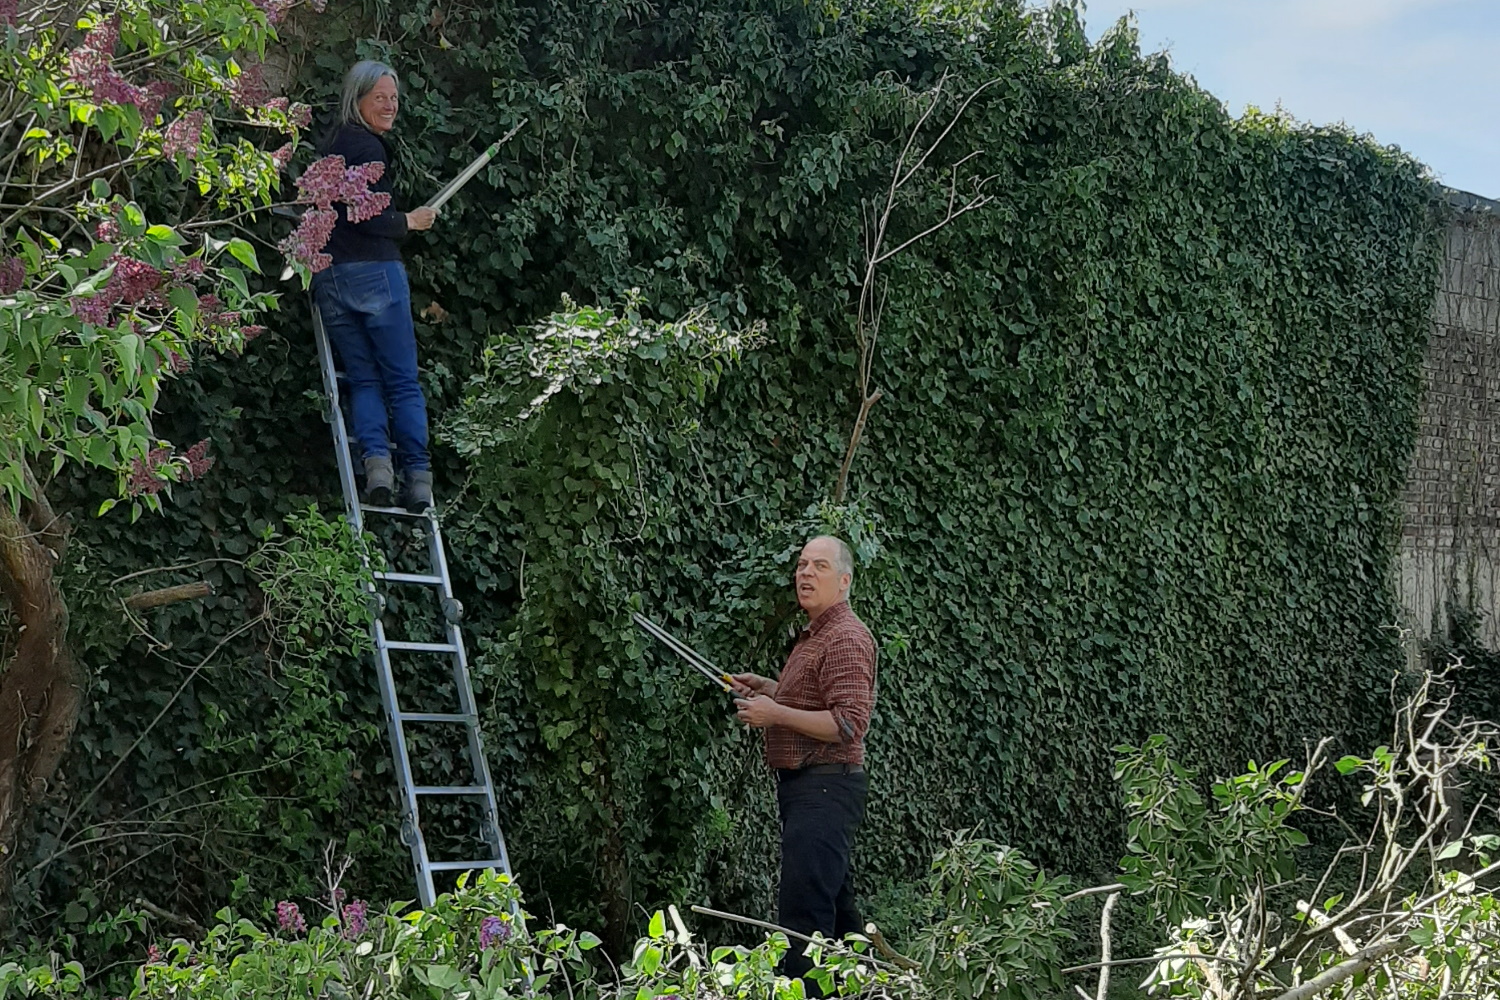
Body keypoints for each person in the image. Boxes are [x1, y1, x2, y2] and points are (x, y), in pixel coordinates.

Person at [731, 535, 877, 990]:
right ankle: (869, 991)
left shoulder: (846, 637)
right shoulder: (815, 635)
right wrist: (771, 689)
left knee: (804, 920)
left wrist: (774, 713)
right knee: (839, 917)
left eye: (819, 566)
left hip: (825, 791)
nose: (805, 574)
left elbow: (849, 724)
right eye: (801, 565)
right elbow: (815, 701)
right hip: (811, 791)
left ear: (844, 580)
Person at [313, 60, 438, 512]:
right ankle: (418, 478)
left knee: (364, 379)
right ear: (358, 99)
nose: (390, 106)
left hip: (331, 278)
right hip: (374, 276)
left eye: (394, 98)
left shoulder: (329, 148)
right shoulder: (368, 148)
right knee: (402, 382)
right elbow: (365, 215)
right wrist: (410, 220)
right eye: (380, 97)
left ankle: (377, 468)